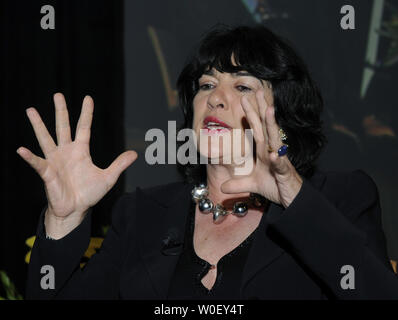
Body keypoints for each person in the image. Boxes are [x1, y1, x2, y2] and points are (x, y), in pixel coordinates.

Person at [20, 25, 398, 300]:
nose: (216, 98)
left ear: (282, 116)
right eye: (206, 85)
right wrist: (64, 221)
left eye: (243, 85)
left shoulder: (342, 197)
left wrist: (296, 198)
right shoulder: (140, 214)